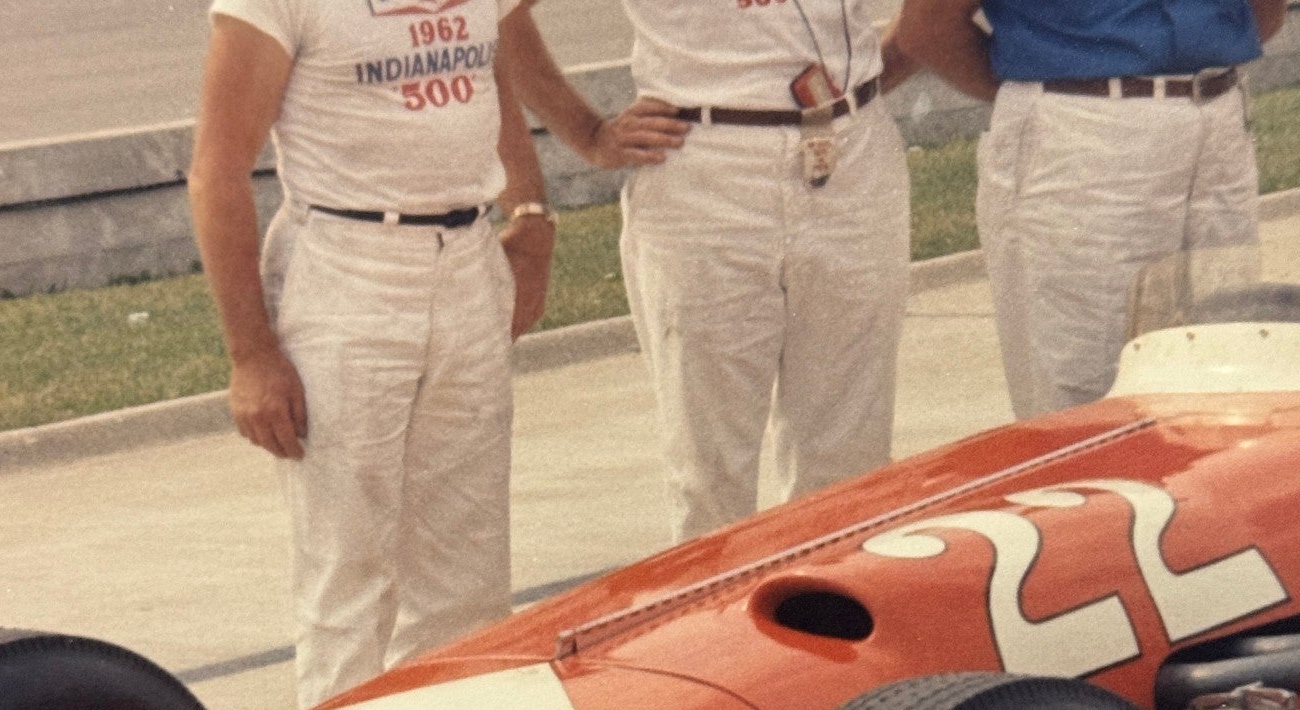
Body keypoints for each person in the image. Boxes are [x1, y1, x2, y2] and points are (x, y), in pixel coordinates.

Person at [188, 0, 556, 710]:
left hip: (468, 257)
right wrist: (252, 352)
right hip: (347, 269)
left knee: (468, 575)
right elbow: (217, 169)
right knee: (349, 578)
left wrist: (531, 215)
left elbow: (491, 80)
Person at [507, 1, 916, 542]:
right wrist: (588, 133)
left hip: (853, 151)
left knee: (850, 464)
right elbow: (500, 16)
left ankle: (830, 621)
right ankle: (719, 624)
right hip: (706, 160)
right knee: (709, 478)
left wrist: (868, 81)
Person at [895, 0, 1289, 419]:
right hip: (1085, 133)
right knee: (1088, 395)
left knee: (1223, 375)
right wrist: (1056, 85)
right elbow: (927, 28)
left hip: (1220, 116)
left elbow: (1266, 12)